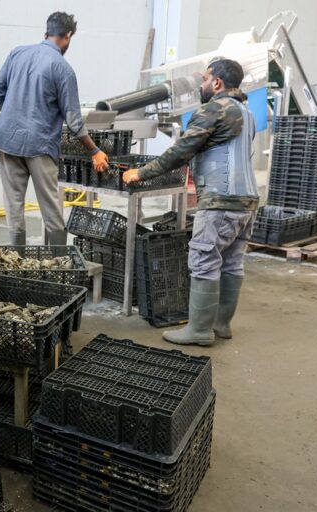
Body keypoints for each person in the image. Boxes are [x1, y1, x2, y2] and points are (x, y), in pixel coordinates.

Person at [122, 58, 259, 346]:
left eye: (205, 78)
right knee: (231, 262)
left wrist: (141, 172)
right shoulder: (246, 113)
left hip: (220, 201)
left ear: (217, 82)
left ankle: (198, 331)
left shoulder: (214, 109)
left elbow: (181, 151)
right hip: (247, 201)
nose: (202, 83)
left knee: (203, 260)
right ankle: (221, 325)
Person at [0, 11, 109, 249]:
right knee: (51, 207)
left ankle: (17, 261)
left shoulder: (17, 53)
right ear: (68, 36)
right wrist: (94, 151)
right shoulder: (63, 69)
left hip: (7, 139)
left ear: (46, 33)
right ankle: (59, 262)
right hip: (39, 144)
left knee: (13, 205)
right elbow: (74, 121)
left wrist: (13, 110)